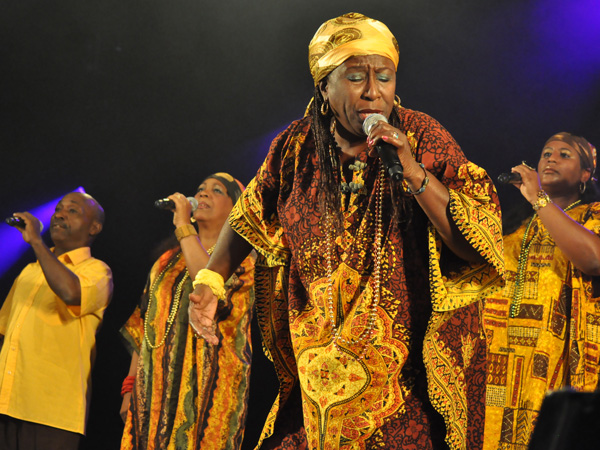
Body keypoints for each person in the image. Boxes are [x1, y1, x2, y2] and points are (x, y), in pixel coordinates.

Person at [188, 12, 503, 450]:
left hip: (402, 388)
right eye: (356, 77)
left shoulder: (422, 136)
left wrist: (412, 172)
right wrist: (211, 277)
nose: (374, 92)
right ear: (324, 87)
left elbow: (477, 244)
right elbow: (248, 215)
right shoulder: (294, 147)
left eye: (385, 77)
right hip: (316, 381)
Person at [119, 173, 255, 450]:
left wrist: (182, 225)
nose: (203, 194)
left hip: (209, 389)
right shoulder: (167, 261)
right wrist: (129, 387)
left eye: (217, 191)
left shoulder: (243, 261)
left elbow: (209, 282)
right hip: (153, 390)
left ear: (236, 210)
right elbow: (143, 324)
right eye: (201, 189)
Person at [483, 133, 600, 449]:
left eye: (564, 154)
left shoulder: (592, 216)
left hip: (553, 370)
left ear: (586, 175)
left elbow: (593, 259)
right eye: (546, 153)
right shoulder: (511, 228)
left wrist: (538, 198)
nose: (551, 158)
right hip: (496, 370)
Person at [0, 192, 112, 450]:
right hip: (7, 404)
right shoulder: (29, 271)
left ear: (94, 227)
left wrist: (37, 242)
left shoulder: (97, 271)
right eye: (58, 209)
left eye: (72, 211)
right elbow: (5, 331)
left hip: (51, 414)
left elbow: (71, 292)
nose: (59, 214)